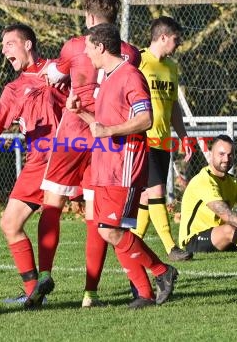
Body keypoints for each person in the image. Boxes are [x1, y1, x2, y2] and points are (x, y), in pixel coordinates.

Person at [38, 0, 141, 308]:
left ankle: (44, 274)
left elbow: (52, 76)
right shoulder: (131, 53)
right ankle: (90, 293)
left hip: (72, 134)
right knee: (95, 214)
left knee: (52, 203)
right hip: (103, 137)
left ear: (91, 19)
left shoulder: (74, 46)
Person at [66, 23, 178, 309]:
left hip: (124, 166)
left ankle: (162, 272)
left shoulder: (130, 76)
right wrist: (82, 113)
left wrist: (110, 131)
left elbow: (146, 120)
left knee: (112, 230)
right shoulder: (108, 78)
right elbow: (103, 127)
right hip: (105, 166)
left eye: (89, 48)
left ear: (101, 47)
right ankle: (144, 294)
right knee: (110, 231)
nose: (87, 54)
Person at [0, 24, 66, 309]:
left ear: (28, 44)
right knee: (10, 224)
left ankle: (139, 283)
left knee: (105, 221)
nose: (4, 49)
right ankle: (34, 292)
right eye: (3, 44)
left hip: (72, 156)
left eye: (10, 43)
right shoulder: (13, 89)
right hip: (38, 160)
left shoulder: (58, 70)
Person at [132, 16, 194, 262]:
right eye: (176, 39)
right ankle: (171, 247)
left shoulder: (171, 67)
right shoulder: (139, 61)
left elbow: (174, 106)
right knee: (157, 190)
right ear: (163, 37)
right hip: (142, 138)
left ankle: (132, 242)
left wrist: (184, 136)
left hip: (163, 141)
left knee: (148, 196)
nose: (179, 44)